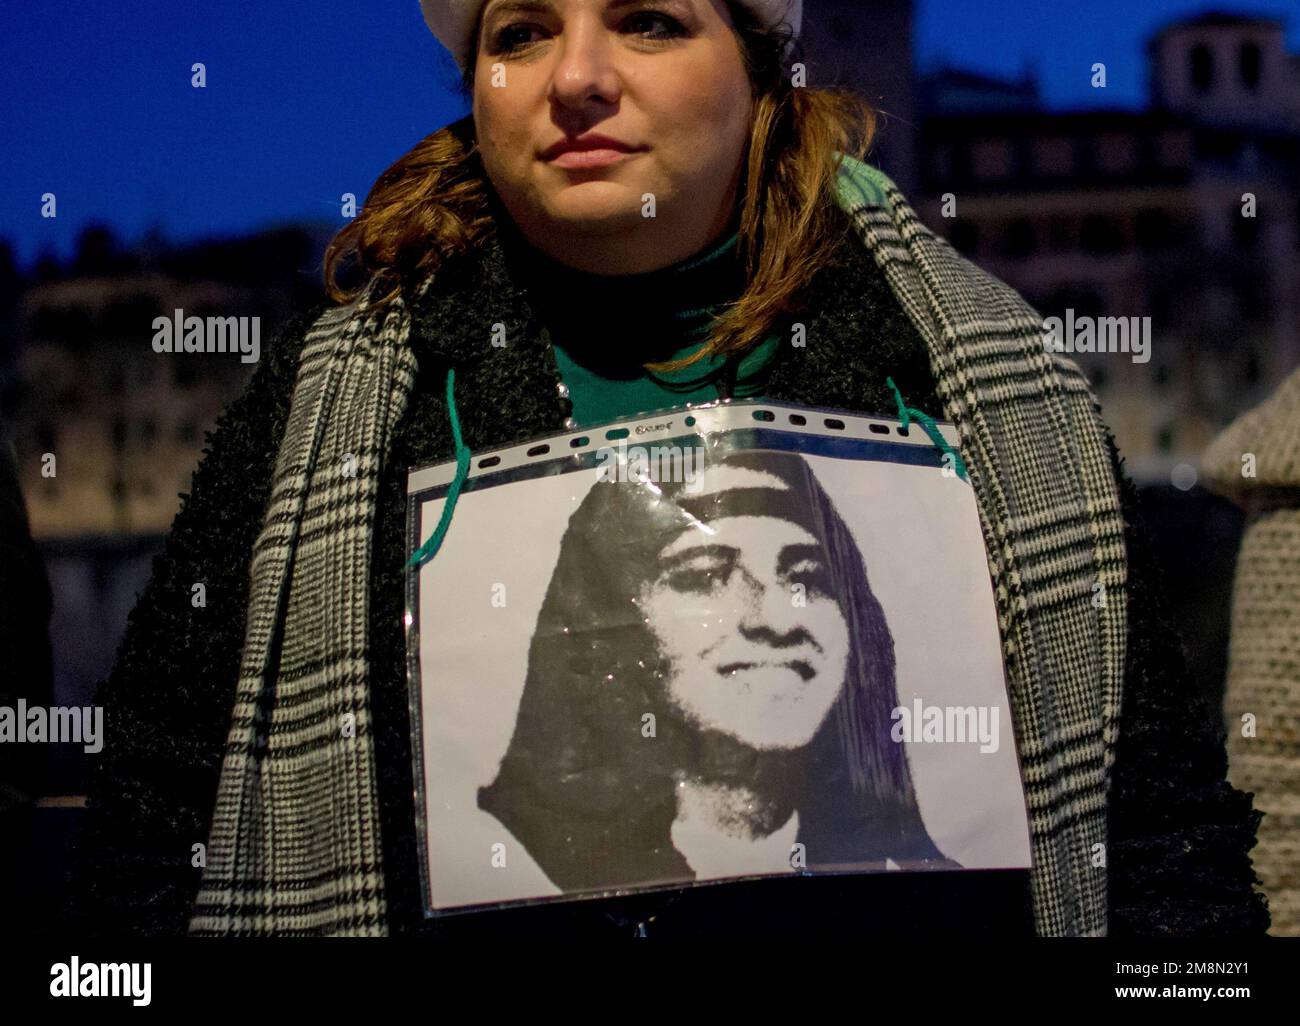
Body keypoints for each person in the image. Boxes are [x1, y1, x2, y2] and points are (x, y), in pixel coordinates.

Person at [65, 0, 1269, 937]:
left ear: (761, 72)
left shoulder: (985, 376)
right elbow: (156, 815)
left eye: (648, 19)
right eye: (521, 31)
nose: (576, 77)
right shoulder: (319, 403)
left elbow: (1157, 823)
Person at [477, 450, 958, 901]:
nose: (776, 619)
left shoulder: (927, 890)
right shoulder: (512, 875)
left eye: (807, 579)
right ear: (614, 618)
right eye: (706, 576)